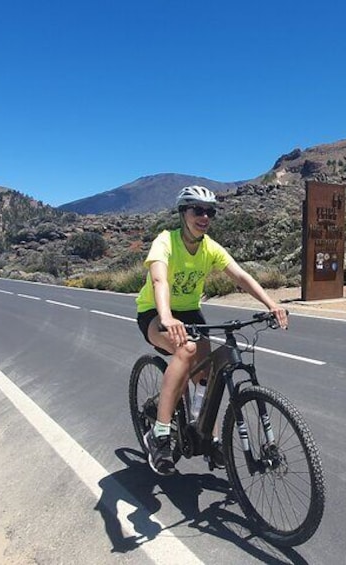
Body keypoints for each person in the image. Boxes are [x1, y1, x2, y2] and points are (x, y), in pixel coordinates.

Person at [135, 185, 289, 475]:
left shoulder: (210, 248)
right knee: (186, 349)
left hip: (190, 313)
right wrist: (167, 317)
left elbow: (240, 275)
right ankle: (160, 434)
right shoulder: (166, 241)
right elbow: (159, 282)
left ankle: (207, 432)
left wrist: (272, 304)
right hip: (156, 311)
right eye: (197, 210)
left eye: (209, 211)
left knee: (207, 373)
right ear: (184, 213)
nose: (204, 216)